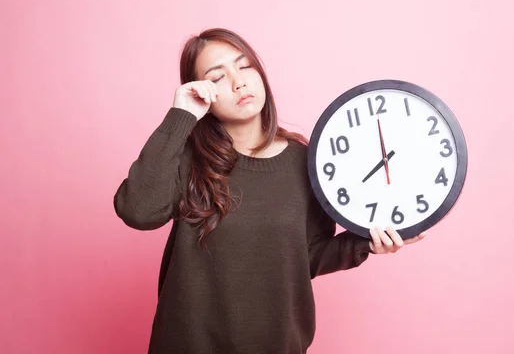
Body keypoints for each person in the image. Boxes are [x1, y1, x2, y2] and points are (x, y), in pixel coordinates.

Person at [113, 27, 426, 354]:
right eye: (217, 77)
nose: (238, 82)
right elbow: (138, 210)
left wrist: (367, 241)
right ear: (202, 91)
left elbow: (308, 257)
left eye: (245, 65)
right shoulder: (188, 158)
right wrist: (181, 116)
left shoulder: (305, 161)